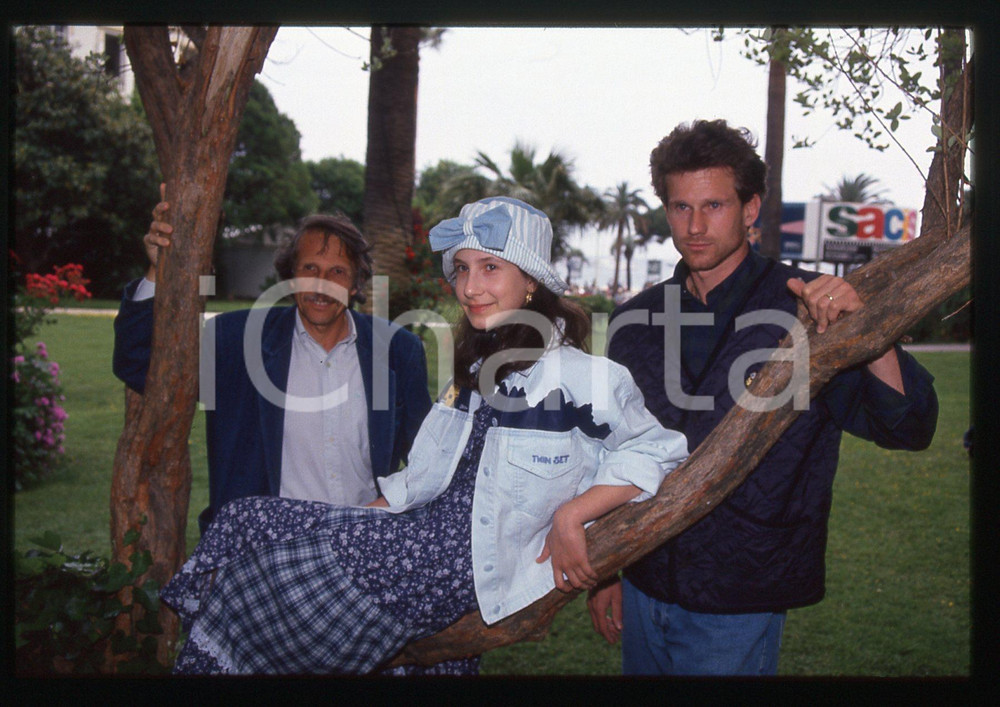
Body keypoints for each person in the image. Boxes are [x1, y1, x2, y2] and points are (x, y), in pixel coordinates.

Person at [158, 196, 688, 675]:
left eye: (490, 267)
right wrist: (361, 518)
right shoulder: (476, 373)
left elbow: (661, 449)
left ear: (531, 281)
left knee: (246, 579)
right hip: (417, 537)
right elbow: (423, 475)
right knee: (241, 524)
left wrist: (572, 514)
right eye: (462, 269)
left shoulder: (582, 378)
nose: (469, 287)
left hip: (450, 564)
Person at [587, 119, 938, 676]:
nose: (695, 226)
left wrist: (868, 331)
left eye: (714, 205)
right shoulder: (634, 322)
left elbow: (910, 426)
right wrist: (608, 568)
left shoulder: (809, 307)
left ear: (750, 208)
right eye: (680, 207)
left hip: (742, 592)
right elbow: (613, 449)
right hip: (643, 577)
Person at [113, 187, 432, 532]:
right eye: (310, 268)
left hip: (362, 542)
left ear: (356, 284)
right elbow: (138, 364)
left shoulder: (398, 350)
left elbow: (429, 461)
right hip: (261, 547)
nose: (321, 284)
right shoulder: (235, 342)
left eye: (337, 272)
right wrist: (157, 271)